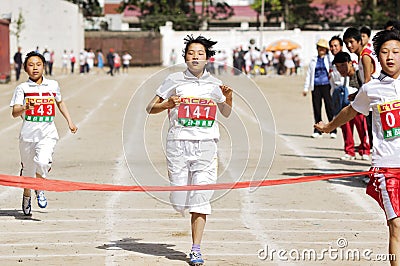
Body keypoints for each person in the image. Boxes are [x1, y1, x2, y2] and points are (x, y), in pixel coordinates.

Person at [315, 29, 400, 266]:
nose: (390, 57)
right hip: (387, 168)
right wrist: (329, 126)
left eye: (395, 52)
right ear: (378, 56)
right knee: (396, 224)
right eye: (384, 52)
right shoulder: (371, 89)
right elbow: (351, 111)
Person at [146, 35, 233, 266]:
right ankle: (179, 198)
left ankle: (196, 249)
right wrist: (168, 104)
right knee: (179, 198)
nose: (195, 56)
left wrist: (229, 97)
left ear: (208, 58)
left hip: (206, 144)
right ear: (185, 56)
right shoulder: (173, 79)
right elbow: (150, 107)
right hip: (178, 144)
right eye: (191, 52)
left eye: (200, 53)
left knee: (201, 198)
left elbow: (225, 112)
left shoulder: (214, 84)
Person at [9, 51, 78, 216]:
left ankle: (40, 190)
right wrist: (26, 107)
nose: (35, 68)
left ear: (44, 67)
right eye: (31, 65)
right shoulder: (22, 88)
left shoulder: (53, 85)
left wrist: (70, 121)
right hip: (28, 134)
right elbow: (14, 112)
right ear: (26, 68)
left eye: (38, 65)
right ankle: (27, 196)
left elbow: (60, 103)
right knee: (27, 171)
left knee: (43, 161)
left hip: (47, 132)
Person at [332, 51, 371, 160]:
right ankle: (349, 151)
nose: (341, 69)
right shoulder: (338, 77)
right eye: (338, 67)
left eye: (344, 65)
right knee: (346, 129)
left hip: (359, 108)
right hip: (345, 107)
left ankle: (365, 150)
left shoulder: (359, 74)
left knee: (362, 128)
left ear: (350, 63)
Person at [303, 38, 337, 139]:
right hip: (316, 86)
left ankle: (332, 129)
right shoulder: (313, 60)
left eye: (323, 48)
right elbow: (309, 74)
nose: (321, 50)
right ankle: (318, 129)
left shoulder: (329, 59)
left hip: (327, 85)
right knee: (317, 108)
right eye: (319, 48)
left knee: (329, 107)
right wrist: (306, 88)